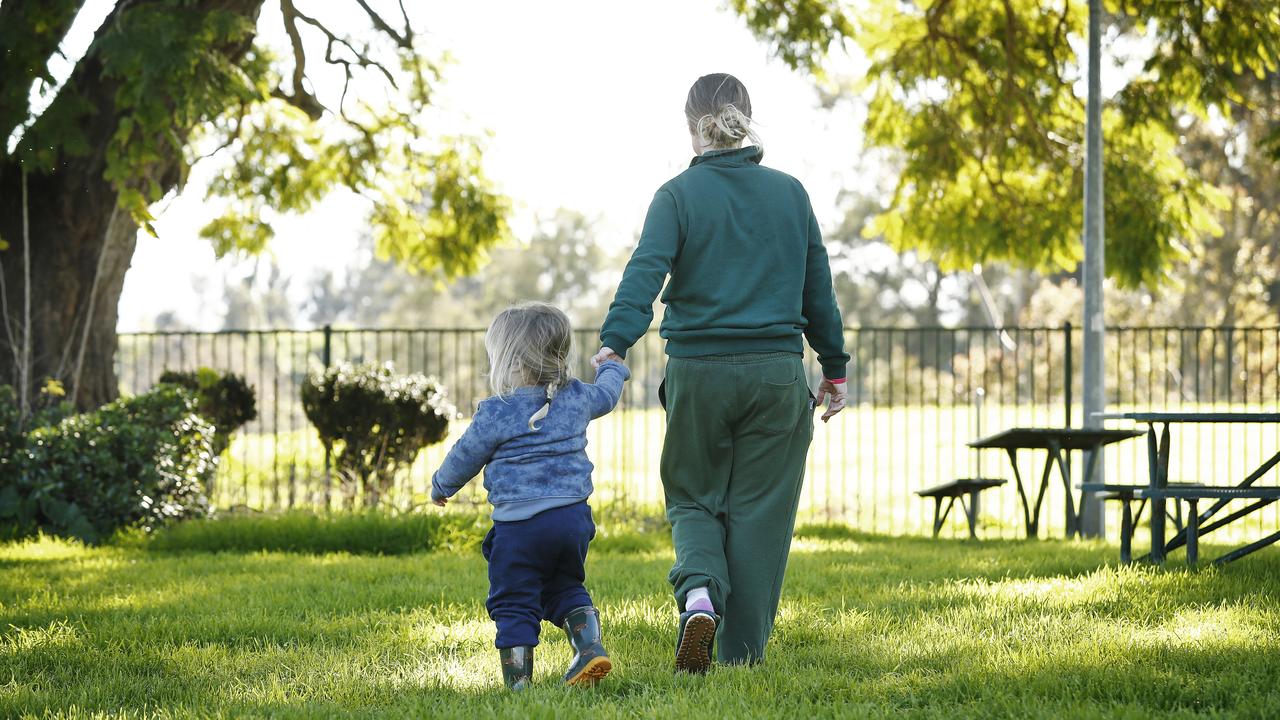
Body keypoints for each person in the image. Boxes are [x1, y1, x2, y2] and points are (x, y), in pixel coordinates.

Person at [592, 72, 849, 672]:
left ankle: (701, 594)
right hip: (777, 376)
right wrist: (833, 369)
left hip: (698, 374)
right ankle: (740, 659)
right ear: (747, 119)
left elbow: (645, 271)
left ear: (691, 127)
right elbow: (819, 293)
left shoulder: (677, 195)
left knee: (692, 494)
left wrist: (615, 343)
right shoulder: (791, 194)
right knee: (761, 513)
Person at [432, 302, 630, 690]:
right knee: (564, 585)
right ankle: (589, 647)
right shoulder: (576, 396)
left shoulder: (498, 411)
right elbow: (607, 395)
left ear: (513, 362)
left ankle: (519, 686)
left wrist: (442, 485)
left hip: (520, 528)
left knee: (514, 599)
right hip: (572, 521)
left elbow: (465, 455)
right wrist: (611, 365)